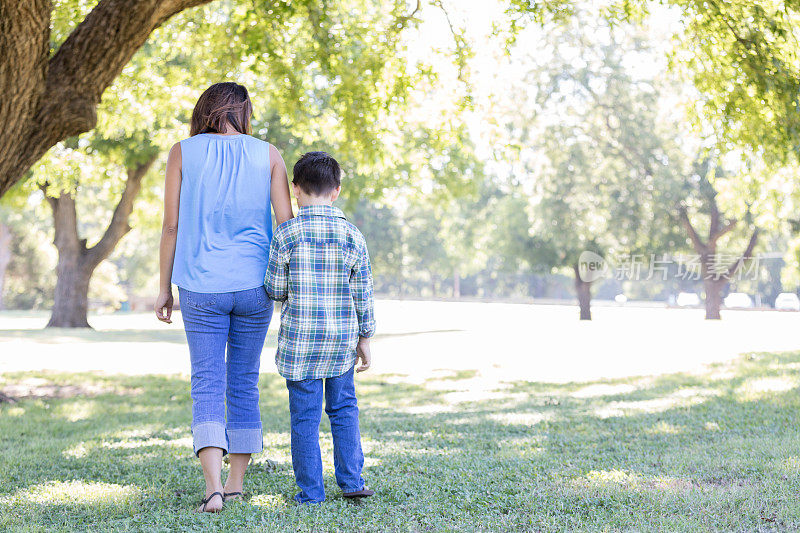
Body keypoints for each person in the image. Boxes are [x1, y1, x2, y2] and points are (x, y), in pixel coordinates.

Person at [154, 82, 293, 512]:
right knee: (244, 381)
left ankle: (213, 489)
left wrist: (163, 287)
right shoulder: (269, 154)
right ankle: (235, 483)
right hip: (255, 285)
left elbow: (171, 226)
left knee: (208, 382)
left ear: (205, 111)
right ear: (244, 112)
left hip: (199, 284)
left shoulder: (182, 151)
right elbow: (286, 224)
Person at [264, 151, 376, 504]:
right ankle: (351, 481)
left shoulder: (286, 235)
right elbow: (363, 293)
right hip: (341, 343)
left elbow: (275, 289)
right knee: (344, 409)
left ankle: (311, 493)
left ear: (295, 189)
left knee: (305, 419)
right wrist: (365, 337)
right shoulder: (352, 236)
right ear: (337, 191)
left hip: (300, 345)